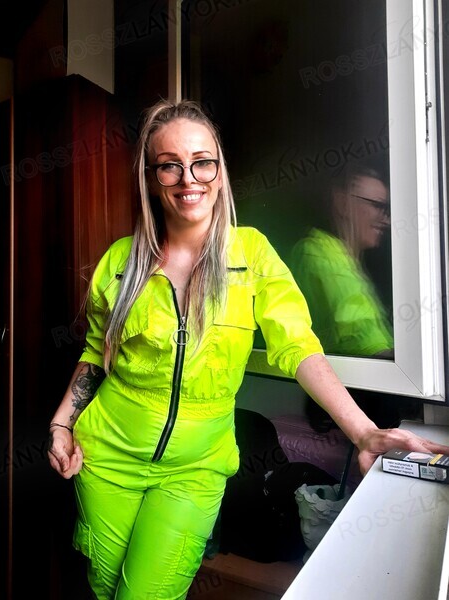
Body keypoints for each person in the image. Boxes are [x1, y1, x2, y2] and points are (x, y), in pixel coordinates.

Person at [48, 100, 449, 600]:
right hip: (105, 458)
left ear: (219, 173)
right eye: (170, 165)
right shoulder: (118, 261)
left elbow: (297, 346)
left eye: (202, 162)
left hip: (193, 472)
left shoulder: (252, 253)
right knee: (106, 589)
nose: (188, 178)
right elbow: (95, 351)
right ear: (151, 179)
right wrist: (62, 423)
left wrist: (363, 431)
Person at [290, 164, 393, 359]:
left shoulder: (347, 259)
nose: (386, 220)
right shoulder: (318, 251)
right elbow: (359, 332)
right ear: (343, 203)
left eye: (386, 209)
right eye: (377, 206)